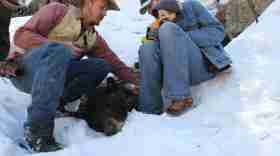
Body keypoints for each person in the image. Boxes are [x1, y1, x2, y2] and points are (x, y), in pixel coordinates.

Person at [4, 0, 138, 152]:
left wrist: (137, 84)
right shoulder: (57, 11)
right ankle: (37, 132)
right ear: (88, 3)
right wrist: (57, 46)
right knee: (59, 51)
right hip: (25, 72)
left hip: (55, 78)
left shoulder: (92, 36)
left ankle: (59, 103)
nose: (105, 13)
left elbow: (114, 63)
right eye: (102, 8)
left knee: (101, 66)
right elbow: (21, 35)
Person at [137, 0, 232, 115]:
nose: (149, 11)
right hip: (176, 72)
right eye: (146, 10)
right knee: (146, 47)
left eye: (149, 6)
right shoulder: (154, 25)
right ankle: (148, 108)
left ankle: (181, 96)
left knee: (168, 29)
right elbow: (149, 55)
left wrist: (180, 37)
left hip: (203, 66)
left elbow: (218, 32)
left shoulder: (191, 6)